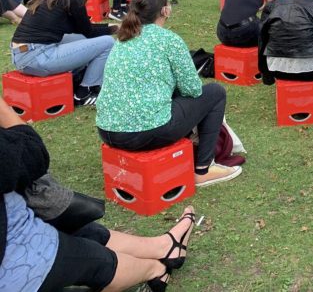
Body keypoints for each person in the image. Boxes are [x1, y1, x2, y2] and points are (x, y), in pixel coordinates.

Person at [0, 96, 197, 292]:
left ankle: (162, 247)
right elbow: (30, 154)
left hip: (23, 214)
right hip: (15, 252)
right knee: (97, 262)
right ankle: (156, 270)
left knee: (77, 228)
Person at [96, 0, 242, 187]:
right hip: (146, 132)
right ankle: (203, 168)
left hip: (107, 129)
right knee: (215, 92)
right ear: (165, 10)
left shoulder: (122, 38)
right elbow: (193, 89)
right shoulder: (169, 41)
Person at [10, 0, 115, 106]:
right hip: (38, 57)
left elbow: (79, 31)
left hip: (21, 56)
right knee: (107, 42)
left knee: (80, 38)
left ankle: (80, 77)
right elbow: (89, 31)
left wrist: (111, 27)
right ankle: (84, 92)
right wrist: (115, 29)